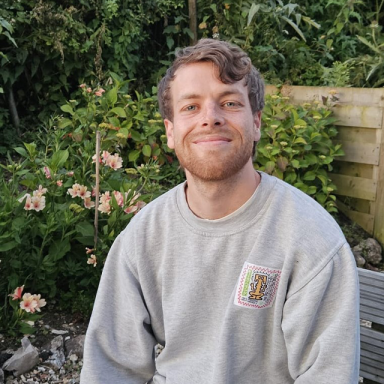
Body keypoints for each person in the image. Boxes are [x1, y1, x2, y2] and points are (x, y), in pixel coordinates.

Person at [81, 38, 360, 383]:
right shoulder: (142, 237)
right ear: (170, 131)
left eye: (228, 103)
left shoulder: (311, 240)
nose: (210, 119)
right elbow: (111, 368)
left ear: (256, 123)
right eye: (190, 107)